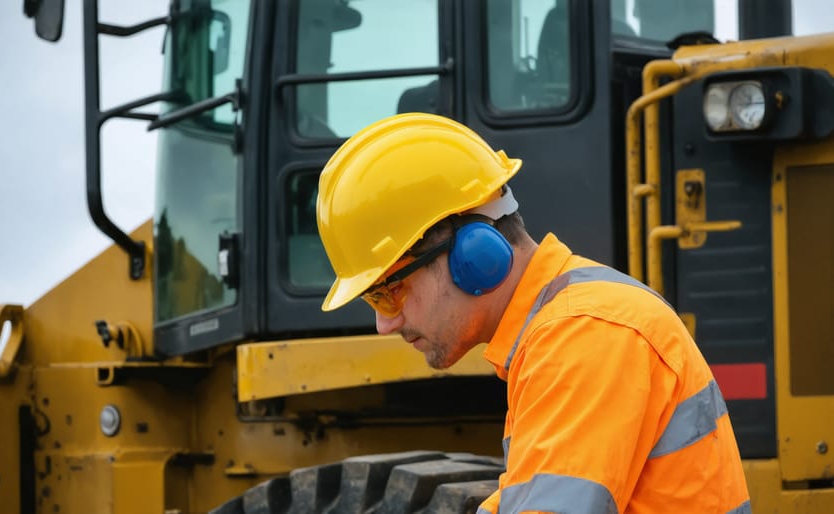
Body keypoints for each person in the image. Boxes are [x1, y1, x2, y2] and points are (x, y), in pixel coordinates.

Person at [315, 113, 751, 513]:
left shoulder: (583, 334)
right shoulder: (556, 333)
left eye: (389, 292)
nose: (384, 322)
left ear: (474, 253)